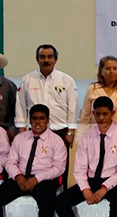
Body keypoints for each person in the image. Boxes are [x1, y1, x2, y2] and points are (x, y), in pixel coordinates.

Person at [15, 44, 77, 189]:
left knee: (60, 172)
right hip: (33, 132)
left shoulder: (66, 80)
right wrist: (22, 130)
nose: (46, 60)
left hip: (60, 132)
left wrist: (71, 131)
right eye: (42, 57)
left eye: (50, 57)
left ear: (56, 59)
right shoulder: (27, 80)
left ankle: (59, 201)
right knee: (34, 165)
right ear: (37, 59)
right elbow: (20, 106)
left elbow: (73, 107)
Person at [78, 56, 117, 142]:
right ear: (101, 71)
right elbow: (85, 117)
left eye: (114, 68)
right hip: (97, 135)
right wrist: (80, 139)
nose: (111, 72)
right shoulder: (93, 89)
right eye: (108, 68)